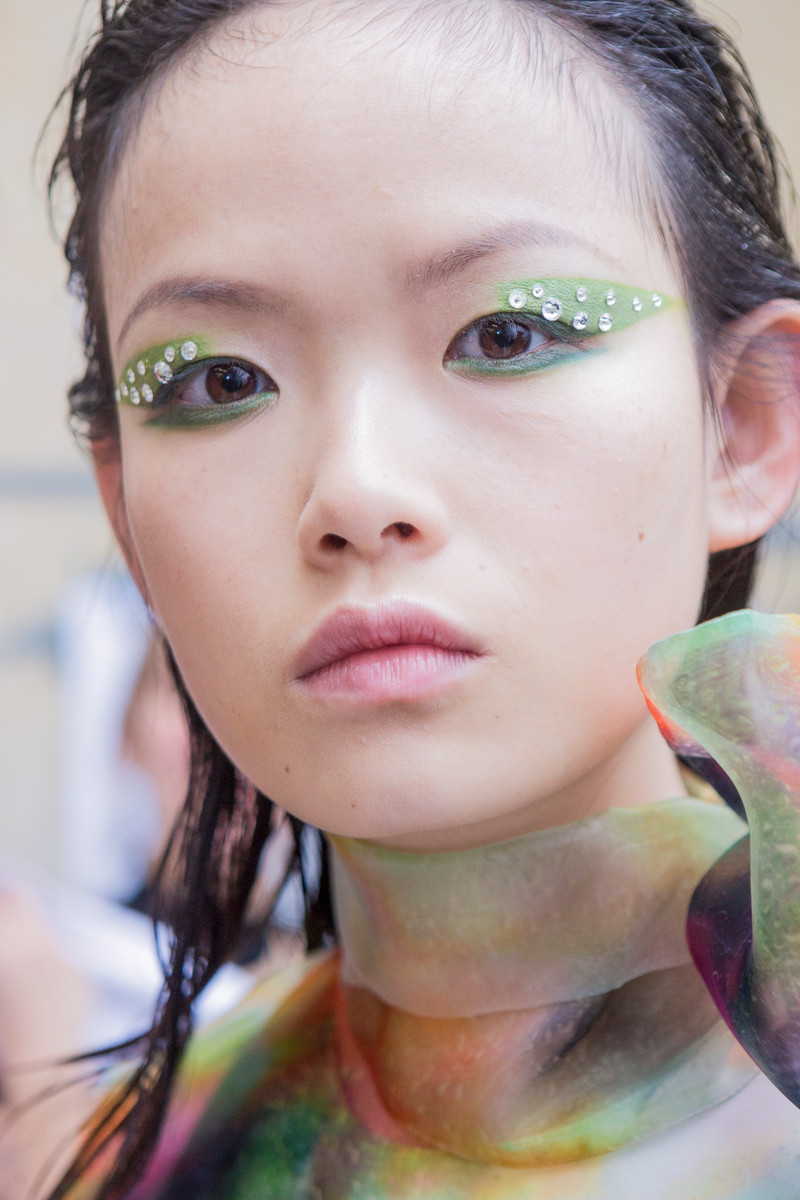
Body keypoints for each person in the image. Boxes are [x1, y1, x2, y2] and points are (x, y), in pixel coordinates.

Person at [44, 0, 800, 1195]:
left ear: (742, 425)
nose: (355, 490)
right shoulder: (151, 1160)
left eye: (506, 334)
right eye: (216, 379)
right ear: (125, 510)